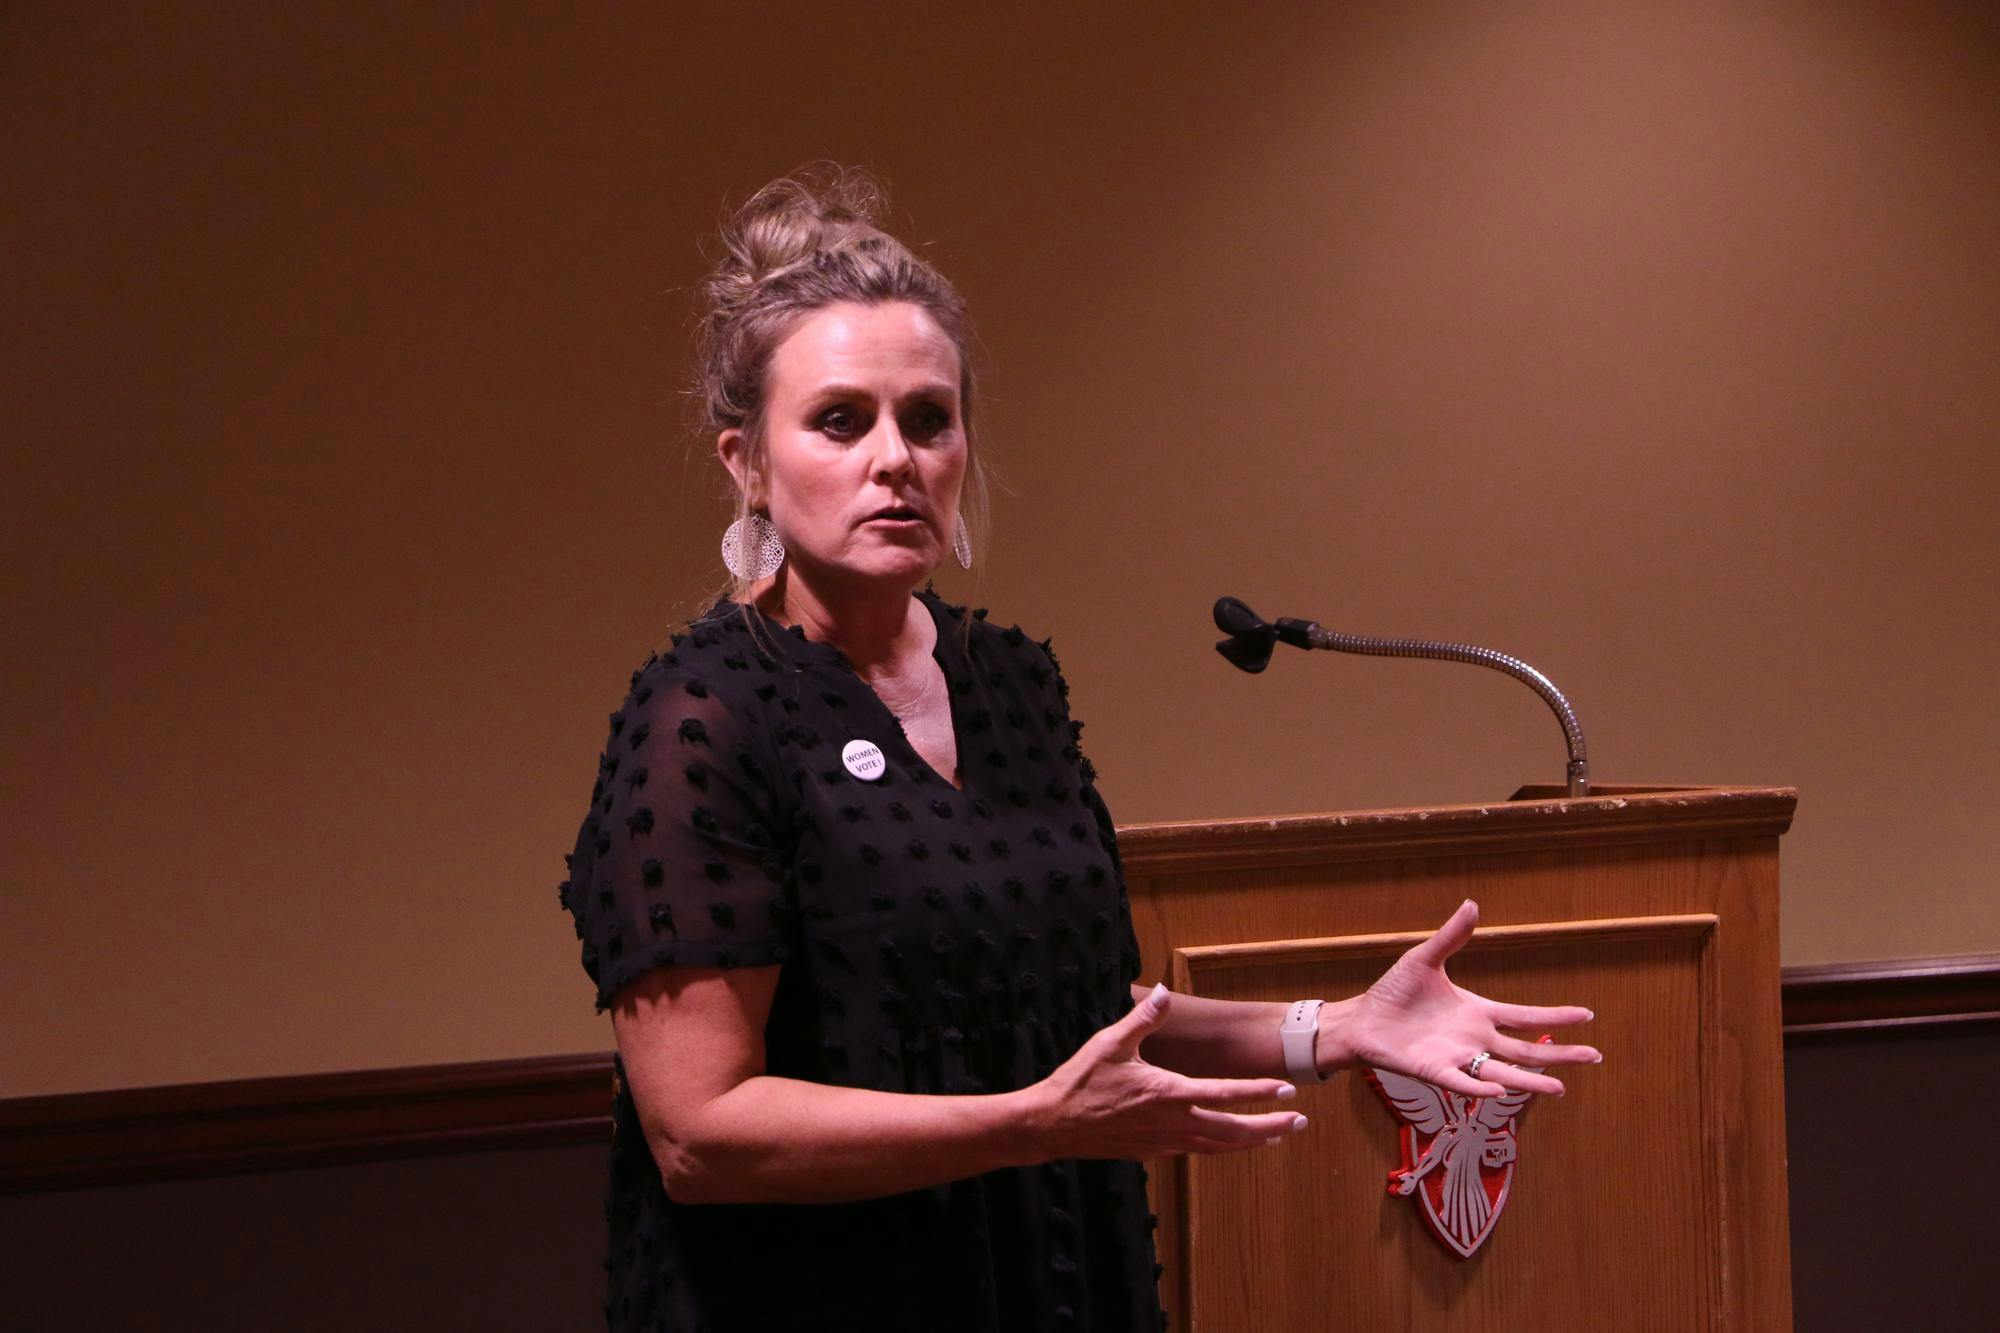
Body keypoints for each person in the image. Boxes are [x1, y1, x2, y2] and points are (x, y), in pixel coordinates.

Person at [556, 163, 1602, 1333]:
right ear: (746, 462)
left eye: (929, 419)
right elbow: (702, 1133)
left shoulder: (1007, 685)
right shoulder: (702, 716)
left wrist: (1333, 1027)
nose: (895, 458)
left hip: (1053, 1274)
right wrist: (1030, 1123)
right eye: (841, 420)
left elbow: (1068, 1017)